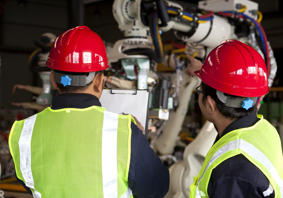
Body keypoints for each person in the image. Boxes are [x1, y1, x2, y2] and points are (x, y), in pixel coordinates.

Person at [8, 26, 169, 198]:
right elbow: (156, 188)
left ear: (54, 80)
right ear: (99, 81)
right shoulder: (124, 132)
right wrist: (138, 138)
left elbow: (28, 182)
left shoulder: (23, 132)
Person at [187, 40, 283, 198]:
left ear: (210, 104)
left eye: (199, 90)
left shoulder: (232, 171)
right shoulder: (263, 128)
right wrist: (212, 74)